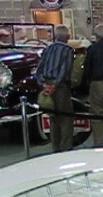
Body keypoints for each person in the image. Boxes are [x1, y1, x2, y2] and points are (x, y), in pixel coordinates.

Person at [35, 24, 74, 152]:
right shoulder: (68, 50)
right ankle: (66, 148)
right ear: (67, 37)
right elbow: (65, 70)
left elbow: (39, 69)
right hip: (60, 88)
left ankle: (55, 148)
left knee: (53, 118)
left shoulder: (47, 49)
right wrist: (55, 86)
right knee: (66, 118)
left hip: (46, 84)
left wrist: (44, 85)